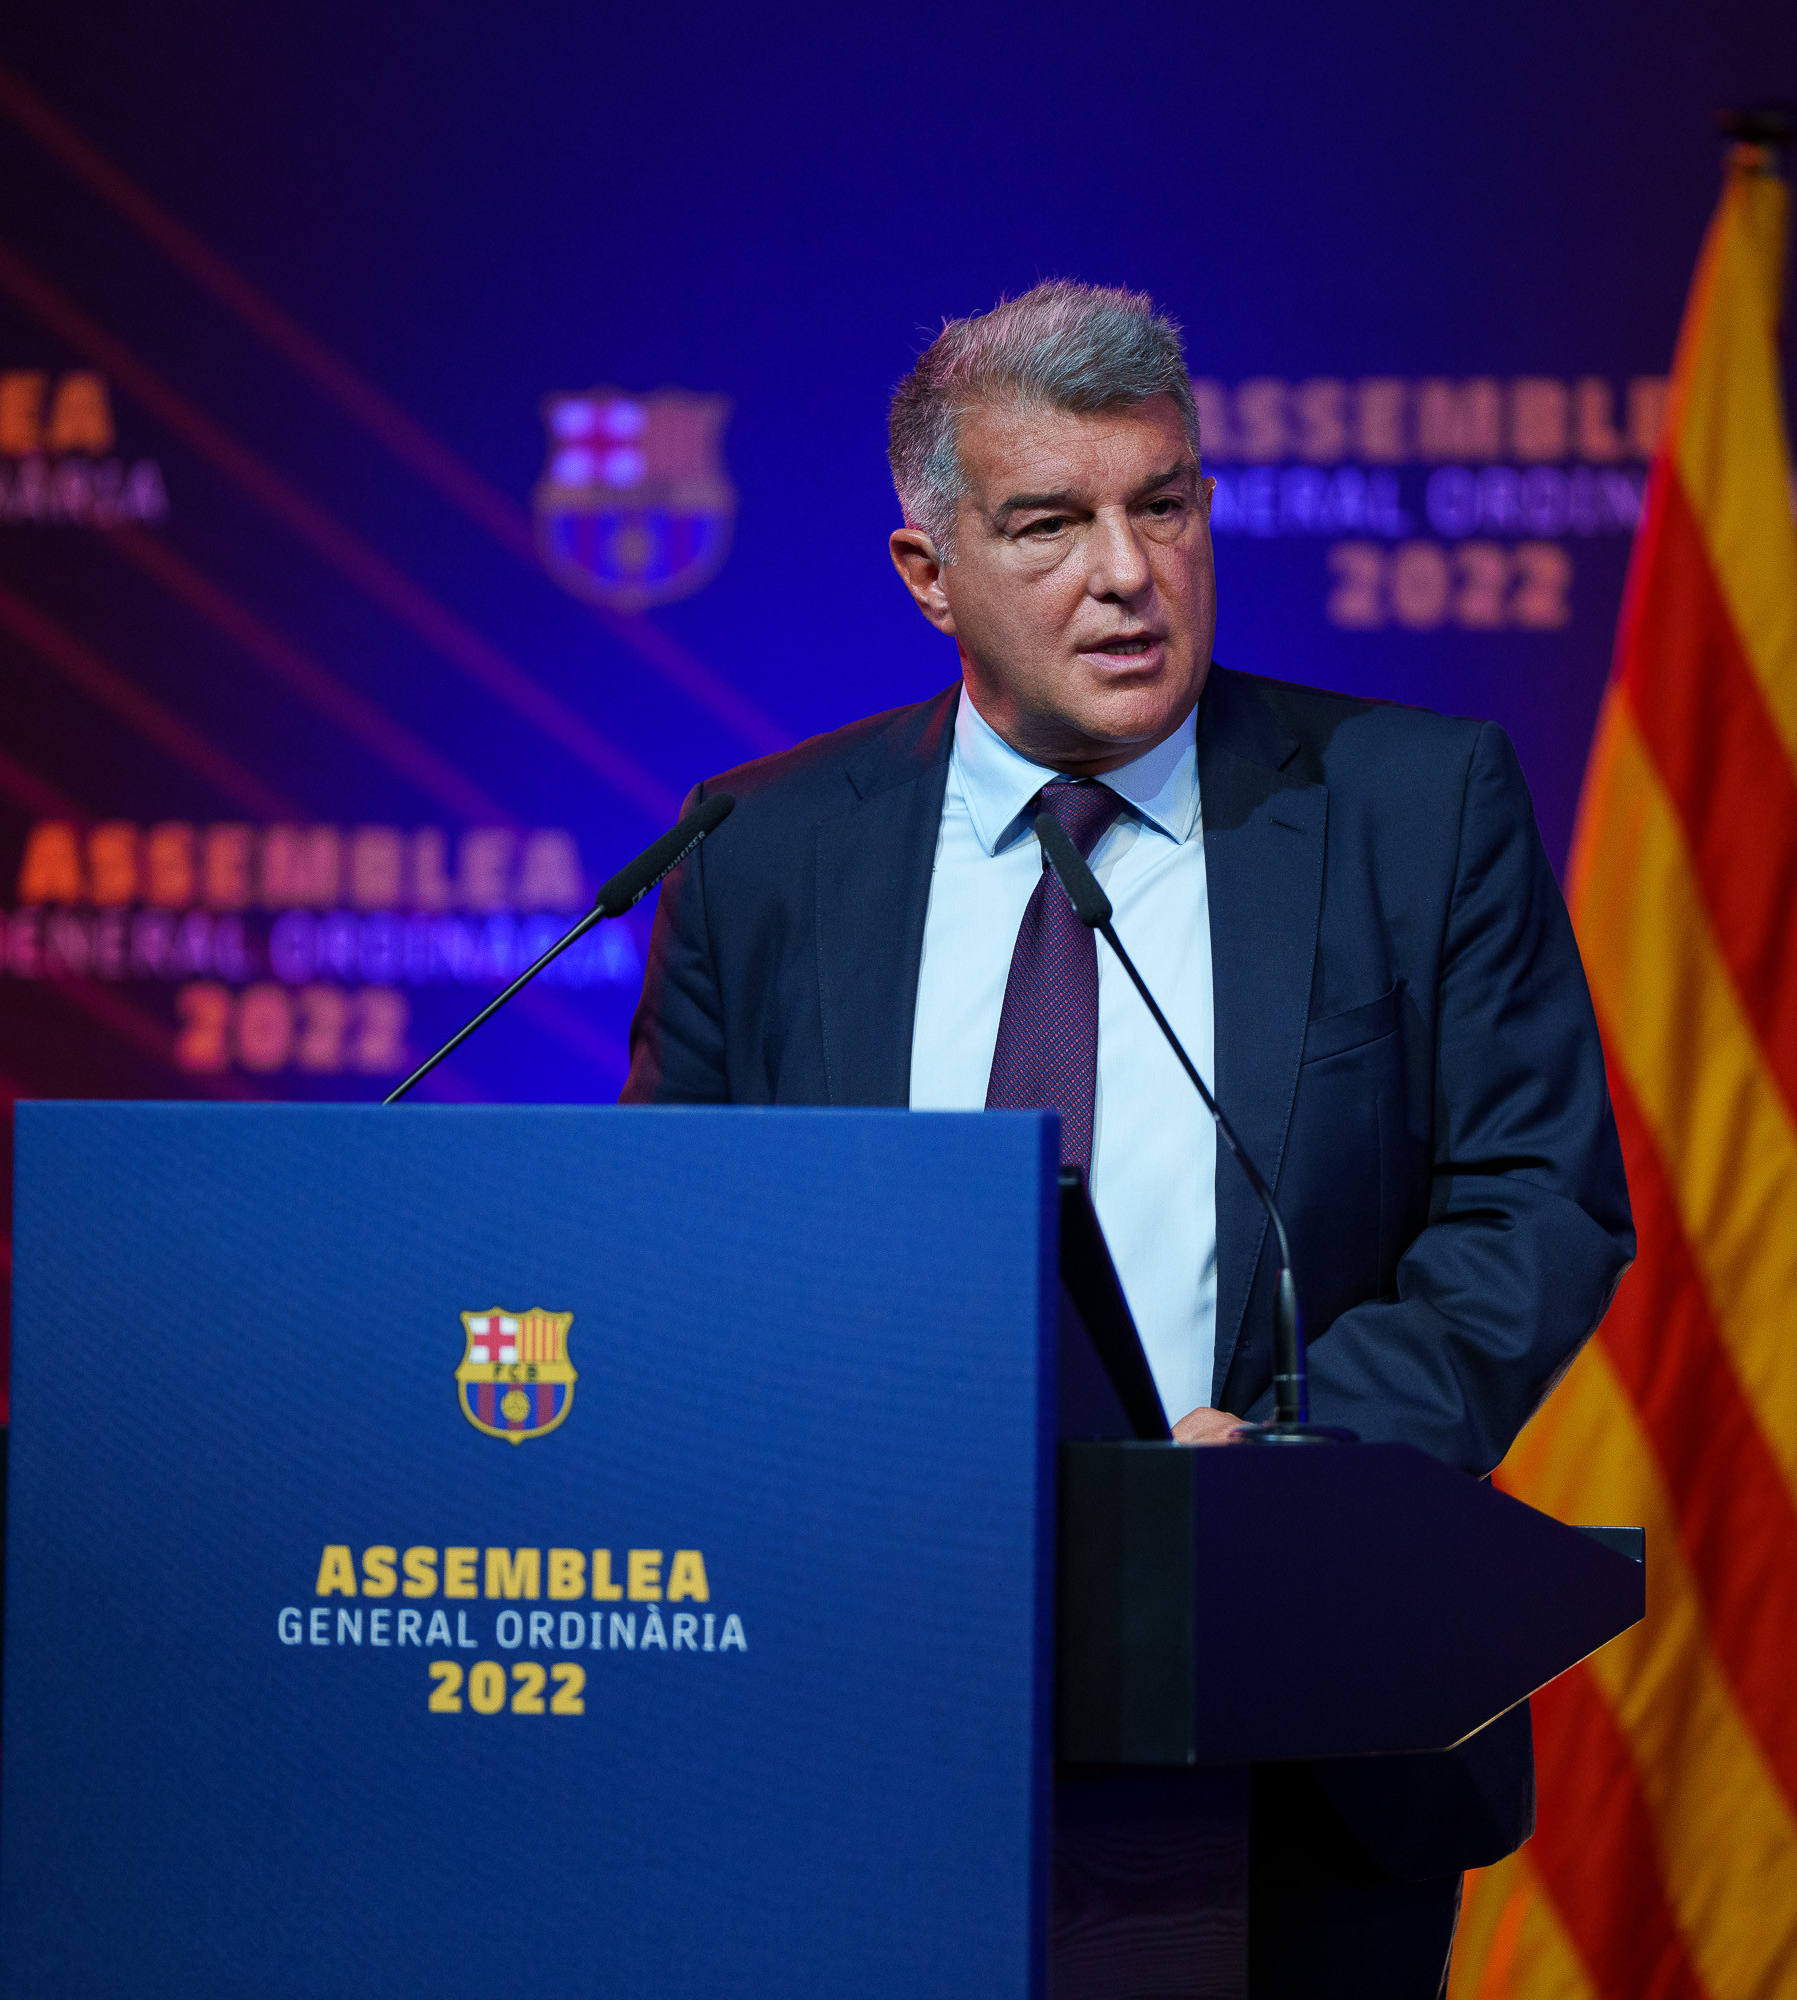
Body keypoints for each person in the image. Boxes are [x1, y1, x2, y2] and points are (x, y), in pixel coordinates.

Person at [621, 280, 1633, 1996]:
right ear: (925, 572)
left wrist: (1298, 1462)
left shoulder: (1412, 803)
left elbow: (1534, 1204)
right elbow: (673, 1242)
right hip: (862, 1708)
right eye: (1049, 523)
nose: (1125, 571)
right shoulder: (763, 852)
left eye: (1160, 504)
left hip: (1296, 1732)